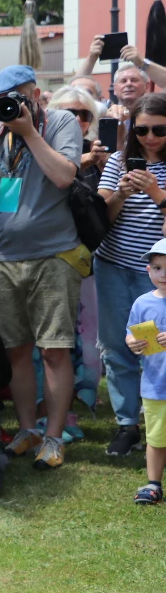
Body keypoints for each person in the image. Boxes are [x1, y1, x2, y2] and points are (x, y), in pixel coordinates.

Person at [0, 65, 82, 470]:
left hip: (53, 254)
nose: (11, 107)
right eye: (1, 101)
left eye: (17, 97)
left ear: (35, 93)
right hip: (3, 257)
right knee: (17, 351)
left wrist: (30, 132)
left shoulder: (60, 121)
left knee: (54, 350)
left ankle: (54, 435)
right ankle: (29, 429)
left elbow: (65, 176)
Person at [95, 93, 166, 456]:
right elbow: (101, 219)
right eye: (142, 129)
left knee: (153, 348)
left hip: (155, 276)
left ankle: (155, 420)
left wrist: (157, 193)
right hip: (112, 266)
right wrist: (119, 195)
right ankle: (127, 424)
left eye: (160, 129)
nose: (150, 137)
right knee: (116, 345)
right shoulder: (118, 162)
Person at [124, 238, 166, 505]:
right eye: (157, 268)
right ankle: (153, 484)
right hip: (155, 386)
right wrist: (134, 343)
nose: (163, 275)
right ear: (149, 271)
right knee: (156, 438)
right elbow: (130, 334)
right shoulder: (142, 302)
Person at [48, 86, 106, 190]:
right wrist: (88, 159)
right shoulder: (44, 145)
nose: (77, 119)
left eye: (85, 114)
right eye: (70, 113)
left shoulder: (94, 148)